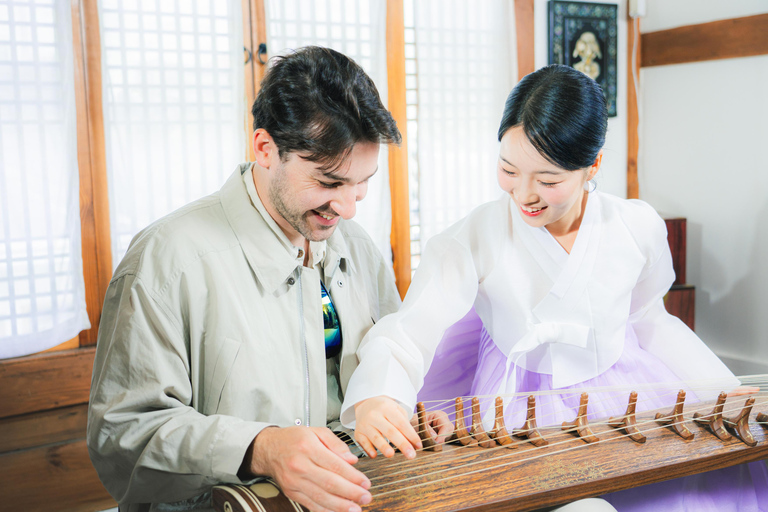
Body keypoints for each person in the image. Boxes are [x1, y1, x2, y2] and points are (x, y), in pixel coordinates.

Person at [342, 65, 768, 510]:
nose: (524, 194)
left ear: (593, 165)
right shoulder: (475, 236)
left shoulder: (636, 226)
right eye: (508, 170)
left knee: (691, 485)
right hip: (511, 405)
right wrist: (377, 398)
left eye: (548, 181)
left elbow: (648, 320)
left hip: (626, 395)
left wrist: (719, 386)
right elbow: (412, 328)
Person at [87, 46, 450, 512]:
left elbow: (385, 365)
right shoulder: (168, 258)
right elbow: (121, 436)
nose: (349, 207)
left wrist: (400, 412)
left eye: (362, 182)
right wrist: (262, 448)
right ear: (264, 149)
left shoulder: (355, 245)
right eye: (329, 182)